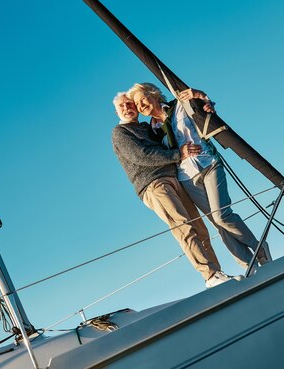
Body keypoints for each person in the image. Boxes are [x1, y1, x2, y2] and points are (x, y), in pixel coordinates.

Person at [127, 83, 272, 272]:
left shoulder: (179, 105)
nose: (140, 106)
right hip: (186, 178)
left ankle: (261, 250)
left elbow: (204, 107)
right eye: (137, 104)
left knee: (222, 215)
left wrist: (203, 97)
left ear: (153, 94)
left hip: (208, 163)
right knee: (216, 223)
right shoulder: (152, 132)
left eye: (142, 99)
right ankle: (249, 266)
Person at [111, 92, 237, 288]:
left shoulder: (146, 127)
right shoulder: (120, 133)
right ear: (117, 111)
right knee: (182, 226)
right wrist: (180, 153)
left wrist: (202, 100)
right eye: (122, 106)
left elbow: (169, 115)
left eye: (130, 104)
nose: (127, 108)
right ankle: (209, 275)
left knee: (199, 228)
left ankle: (217, 274)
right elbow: (141, 156)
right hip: (153, 184)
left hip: (175, 177)